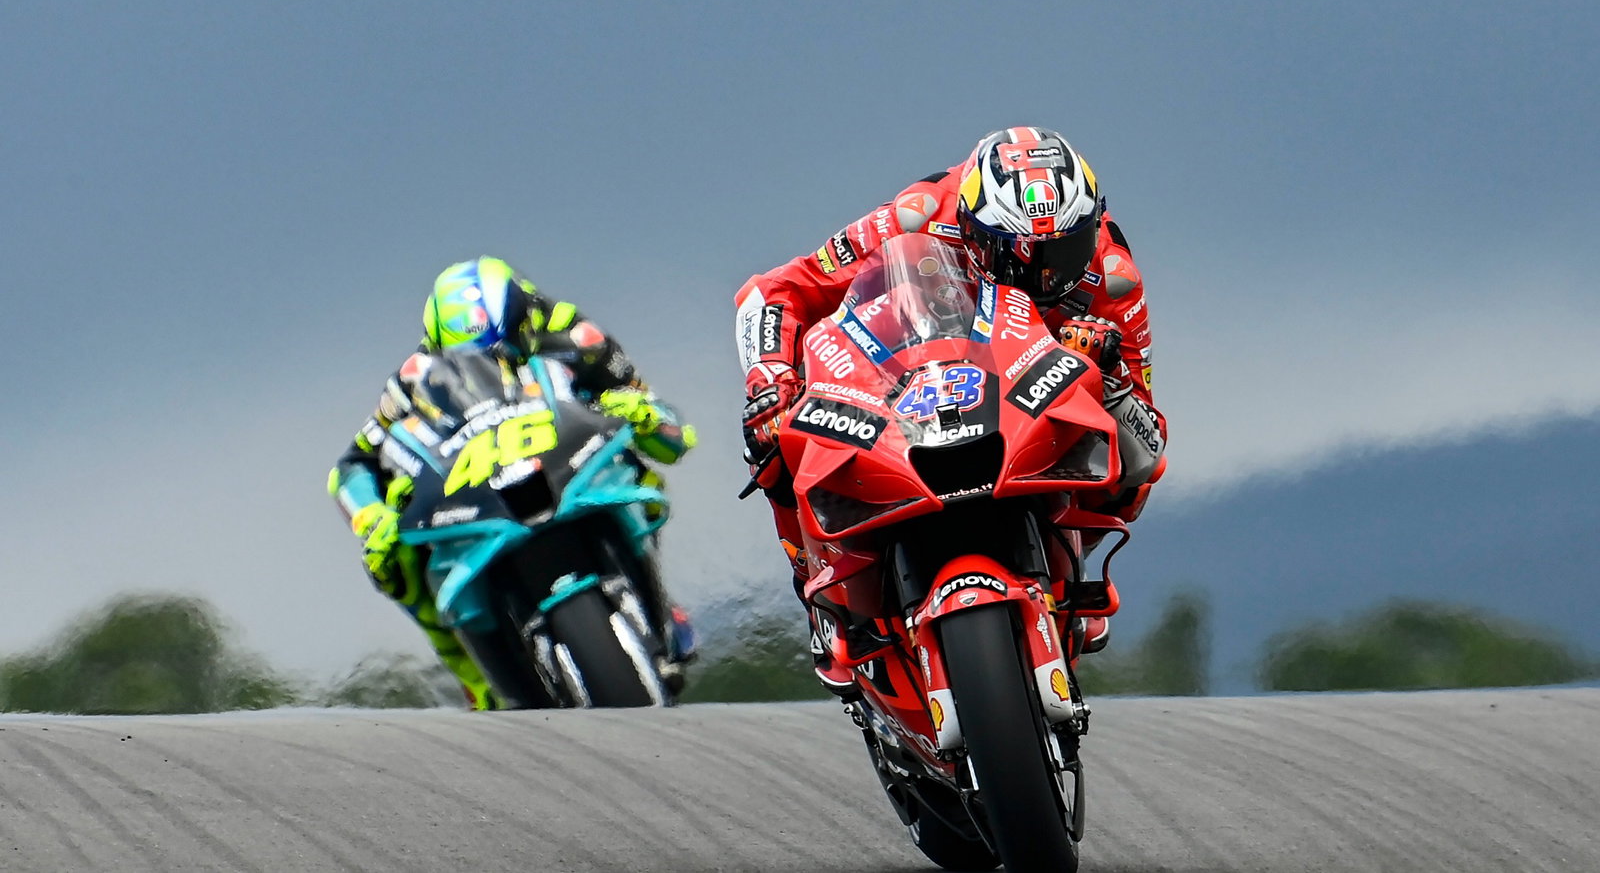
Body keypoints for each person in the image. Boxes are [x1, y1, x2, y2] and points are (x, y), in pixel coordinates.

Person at [734, 127, 1167, 694]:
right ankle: (821, 594)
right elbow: (775, 291)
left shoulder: (1113, 277)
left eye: (1062, 252)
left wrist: (1107, 372)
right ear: (972, 225)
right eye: (1017, 255)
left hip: (1032, 383)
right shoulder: (916, 215)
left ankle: (1067, 571)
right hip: (913, 371)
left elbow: (1149, 440)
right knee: (773, 440)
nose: (1043, 277)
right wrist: (771, 379)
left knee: (1131, 469)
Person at [329, 256, 697, 709]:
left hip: (569, 462)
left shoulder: (572, 334)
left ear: (525, 318)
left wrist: (644, 415)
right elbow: (352, 466)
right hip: (478, 489)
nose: (492, 362)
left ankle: (657, 603)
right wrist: (372, 517)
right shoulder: (413, 380)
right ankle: (479, 682)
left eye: (502, 349)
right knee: (393, 563)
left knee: (639, 471)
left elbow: (665, 429)